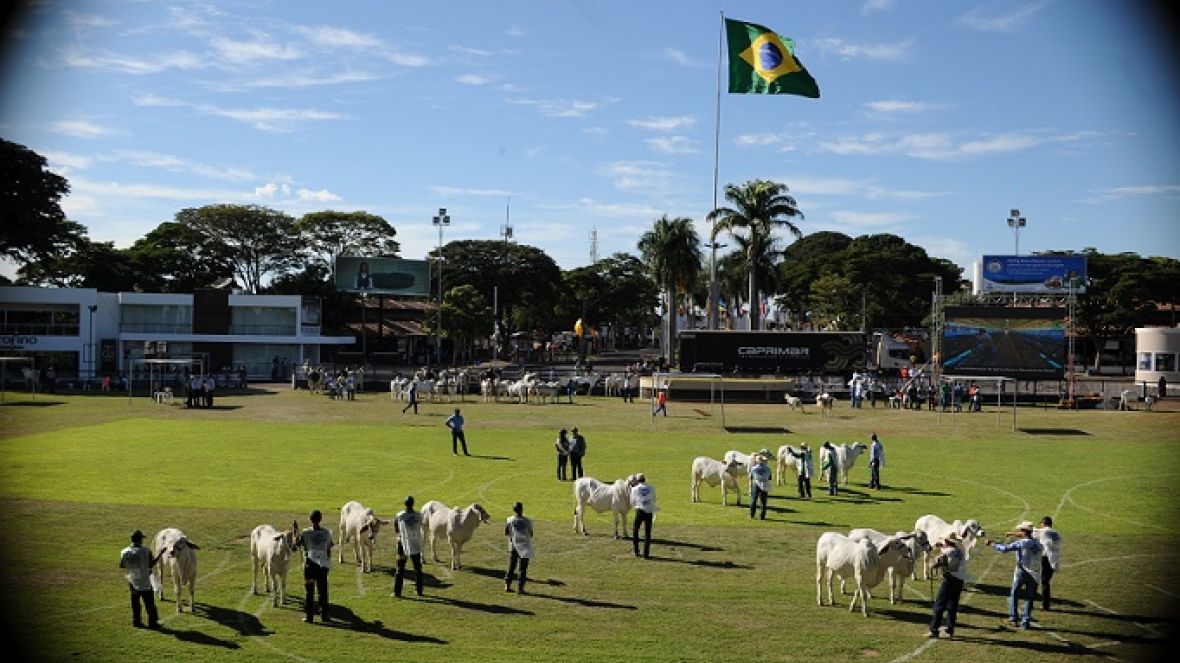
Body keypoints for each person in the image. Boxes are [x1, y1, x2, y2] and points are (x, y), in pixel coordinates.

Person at [986, 520, 1043, 630]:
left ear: (1023, 531)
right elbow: (1026, 536)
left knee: (1014, 593)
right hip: (1035, 572)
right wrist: (1012, 534)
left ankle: (1013, 618)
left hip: (1022, 571)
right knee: (1029, 597)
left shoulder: (1021, 543)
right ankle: (1025, 622)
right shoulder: (1038, 543)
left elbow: (1004, 549)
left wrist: (992, 544)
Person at [119, 529, 164, 629]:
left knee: (135, 602)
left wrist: (133, 565)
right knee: (149, 603)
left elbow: (122, 565)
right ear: (140, 540)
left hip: (133, 579)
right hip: (145, 580)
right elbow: (151, 564)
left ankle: (136, 621)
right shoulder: (146, 551)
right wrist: (160, 553)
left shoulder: (124, 551)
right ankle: (153, 623)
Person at [294, 510, 334, 623]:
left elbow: (296, 544)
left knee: (309, 591)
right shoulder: (327, 533)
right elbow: (329, 549)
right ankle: (324, 615)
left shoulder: (305, 533)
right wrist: (327, 564)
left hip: (310, 566)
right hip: (322, 565)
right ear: (320, 519)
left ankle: (309, 616)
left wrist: (295, 531)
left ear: (310, 520)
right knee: (323, 590)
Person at [927, 536, 967, 639]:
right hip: (959, 580)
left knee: (939, 606)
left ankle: (934, 629)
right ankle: (949, 629)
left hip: (949, 580)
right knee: (952, 606)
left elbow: (933, 564)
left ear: (947, 542)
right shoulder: (960, 551)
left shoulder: (946, 552)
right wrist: (942, 548)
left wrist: (935, 552)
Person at [394, 496, 425, 597]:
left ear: (405, 504)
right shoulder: (419, 515)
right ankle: (419, 590)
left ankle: (397, 592)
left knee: (400, 568)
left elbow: (397, 529)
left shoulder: (399, 516)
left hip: (402, 544)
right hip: (416, 544)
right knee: (418, 569)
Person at [504, 502, 534, 593]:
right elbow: (531, 534)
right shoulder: (528, 521)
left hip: (513, 546)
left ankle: (507, 585)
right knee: (523, 568)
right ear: (522, 510)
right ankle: (520, 588)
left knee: (511, 566)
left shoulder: (509, 520)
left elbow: (506, 532)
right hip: (524, 546)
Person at [1035, 516, 1062, 611]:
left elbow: (1028, 533)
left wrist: (1011, 533)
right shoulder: (1057, 533)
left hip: (1044, 558)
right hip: (1054, 559)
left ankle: (1032, 600)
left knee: (1036, 578)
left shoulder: (1043, 531)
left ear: (1043, 523)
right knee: (1046, 581)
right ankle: (1046, 605)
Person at [630, 473, 658, 559]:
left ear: (637, 481)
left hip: (640, 511)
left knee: (635, 530)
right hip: (649, 511)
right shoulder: (651, 487)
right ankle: (646, 554)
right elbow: (654, 499)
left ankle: (636, 551)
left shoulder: (635, 489)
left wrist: (636, 506)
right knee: (647, 533)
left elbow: (632, 501)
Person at [748, 453, 772, 520]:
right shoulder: (768, 469)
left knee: (753, 500)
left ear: (757, 461)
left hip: (756, 484)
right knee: (763, 502)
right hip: (764, 484)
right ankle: (762, 516)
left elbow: (751, 477)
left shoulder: (754, 468)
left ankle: (752, 514)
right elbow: (770, 478)